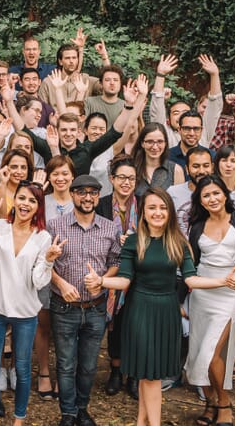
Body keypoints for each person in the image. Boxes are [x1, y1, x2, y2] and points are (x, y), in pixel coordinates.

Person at [85, 188, 235, 426]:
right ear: (143, 212)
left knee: (152, 374)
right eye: (152, 208)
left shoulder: (178, 241)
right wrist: (102, 281)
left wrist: (222, 281)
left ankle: (142, 422)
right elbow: (124, 279)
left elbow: (191, 279)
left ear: (170, 211)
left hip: (166, 311)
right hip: (139, 311)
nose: (158, 212)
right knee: (148, 374)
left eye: (163, 207)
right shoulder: (135, 241)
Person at [0, 181, 58, 426]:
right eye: (22, 198)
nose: (25, 204)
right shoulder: (0, 226)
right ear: (14, 200)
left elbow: (39, 281)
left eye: (32, 200)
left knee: (22, 371)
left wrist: (49, 261)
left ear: (38, 207)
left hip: (25, 313)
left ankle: (19, 419)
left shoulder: (43, 237)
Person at [184, 175, 235, 426]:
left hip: (234, 290)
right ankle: (210, 402)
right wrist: (179, 299)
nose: (212, 198)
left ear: (225, 194)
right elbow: (188, 267)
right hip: (203, 291)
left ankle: (224, 403)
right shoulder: (196, 226)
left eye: (216, 193)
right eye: (206, 195)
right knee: (198, 351)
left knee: (211, 351)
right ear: (201, 201)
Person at [47, 174, 121, 426]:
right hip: (63, 306)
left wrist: (102, 279)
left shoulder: (110, 227)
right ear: (72, 195)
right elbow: (44, 263)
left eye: (92, 192)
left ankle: (82, 409)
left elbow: (115, 262)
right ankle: (67, 413)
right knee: (66, 364)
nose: (87, 197)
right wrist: (60, 283)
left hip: (95, 307)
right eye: (81, 192)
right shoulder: (55, 226)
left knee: (88, 366)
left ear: (98, 196)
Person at [96, 157, 140, 395]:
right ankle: (115, 370)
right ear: (111, 179)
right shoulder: (101, 204)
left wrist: (135, 242)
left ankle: (132, 374)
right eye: (121, 177)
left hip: (137, 272)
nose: (126, 182)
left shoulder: (142, 204)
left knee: (134, 323)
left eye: (131, 178)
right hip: (110, 269)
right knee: (114, 323)